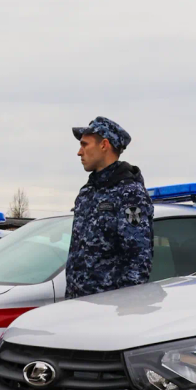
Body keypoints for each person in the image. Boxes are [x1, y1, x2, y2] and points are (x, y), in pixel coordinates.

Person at [65, 116, 153, 299]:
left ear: (104, 145)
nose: (79, 152)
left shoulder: (129, 193)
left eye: (85, 145)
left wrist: (125, 308)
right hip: (76, 307)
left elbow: (138, 260)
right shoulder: (87, 192)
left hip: (108, 312)